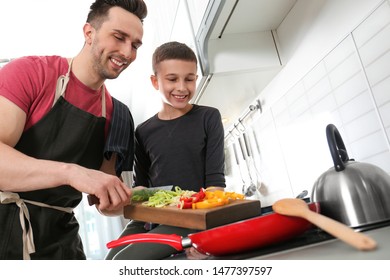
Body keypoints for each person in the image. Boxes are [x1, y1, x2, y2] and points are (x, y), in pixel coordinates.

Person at [0, 0, 147, 260]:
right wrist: (71, 173)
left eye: (135, 45)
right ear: (89, 33)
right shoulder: (30, 74)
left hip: (62, 245)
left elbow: (106, 202)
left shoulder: (119, 117)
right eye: (119, 37)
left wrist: (138, 198)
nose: (127, 52)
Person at [105, 41, 226, 260]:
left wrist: (209, 235)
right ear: (155, 81)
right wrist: (118, 194)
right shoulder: (143, 131)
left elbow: (215, 185)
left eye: (189, 79)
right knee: (110, 261)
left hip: (190, 218)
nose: (182, 87)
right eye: (172, 79)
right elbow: (141, 187)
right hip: (148, 216)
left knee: (123, 262)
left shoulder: (209, 117)